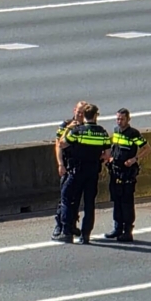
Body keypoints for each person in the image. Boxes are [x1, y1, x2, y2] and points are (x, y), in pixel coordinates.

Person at [60, 103, 112, 244]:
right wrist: (96, 158)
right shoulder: (102, 132)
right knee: (89, 204)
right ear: (95, 116)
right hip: (93, 171)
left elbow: (63, 144)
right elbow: (107, 154)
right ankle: (85, 235)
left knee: (67, 198)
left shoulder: (78, 130)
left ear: (85, 115)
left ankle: (67, 231)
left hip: (77, 171)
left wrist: (68, 130)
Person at [105, 108, 151, 242]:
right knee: (116, 200)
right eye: (118, 119)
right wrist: (111, 158)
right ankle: (117, 228)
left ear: (128, 119)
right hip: (116, 171)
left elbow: (147, 148)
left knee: (127, 202)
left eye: (122, 119)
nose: (119, 122)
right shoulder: (116, 130)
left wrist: (134, 159)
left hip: (127, 173)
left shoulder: (133, 133)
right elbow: (115, 147)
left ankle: (127, 231)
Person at [52, 101, 87, 239]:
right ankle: (59, 225)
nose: (80, 114)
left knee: (76, 199)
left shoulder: (86, 127)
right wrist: (60, 164)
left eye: (83, 113)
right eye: (78, 111)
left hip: (80, 168)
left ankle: (72, 224)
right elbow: (58, 145)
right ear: (74, 110)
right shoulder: (65, 125)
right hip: (67, 166)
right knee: (64, 198)